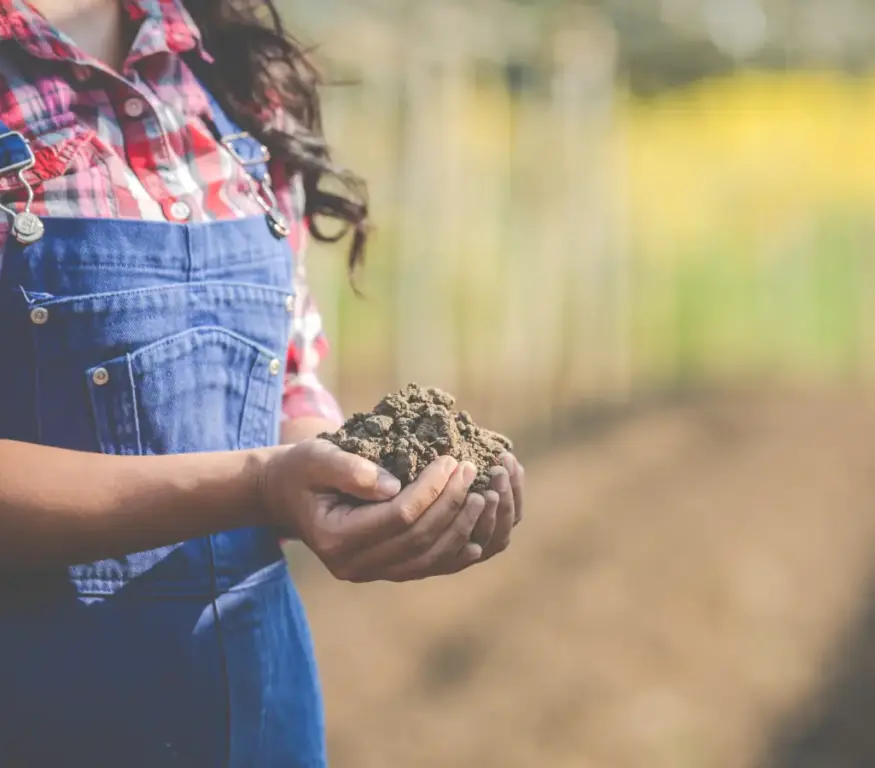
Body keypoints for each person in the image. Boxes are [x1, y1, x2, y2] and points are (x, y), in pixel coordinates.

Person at [0, 1, 525, 765]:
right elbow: (260, 470)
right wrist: (261, 487)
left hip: (257, 718)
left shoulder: (228, 78)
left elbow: (281, 393)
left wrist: (364, 480)